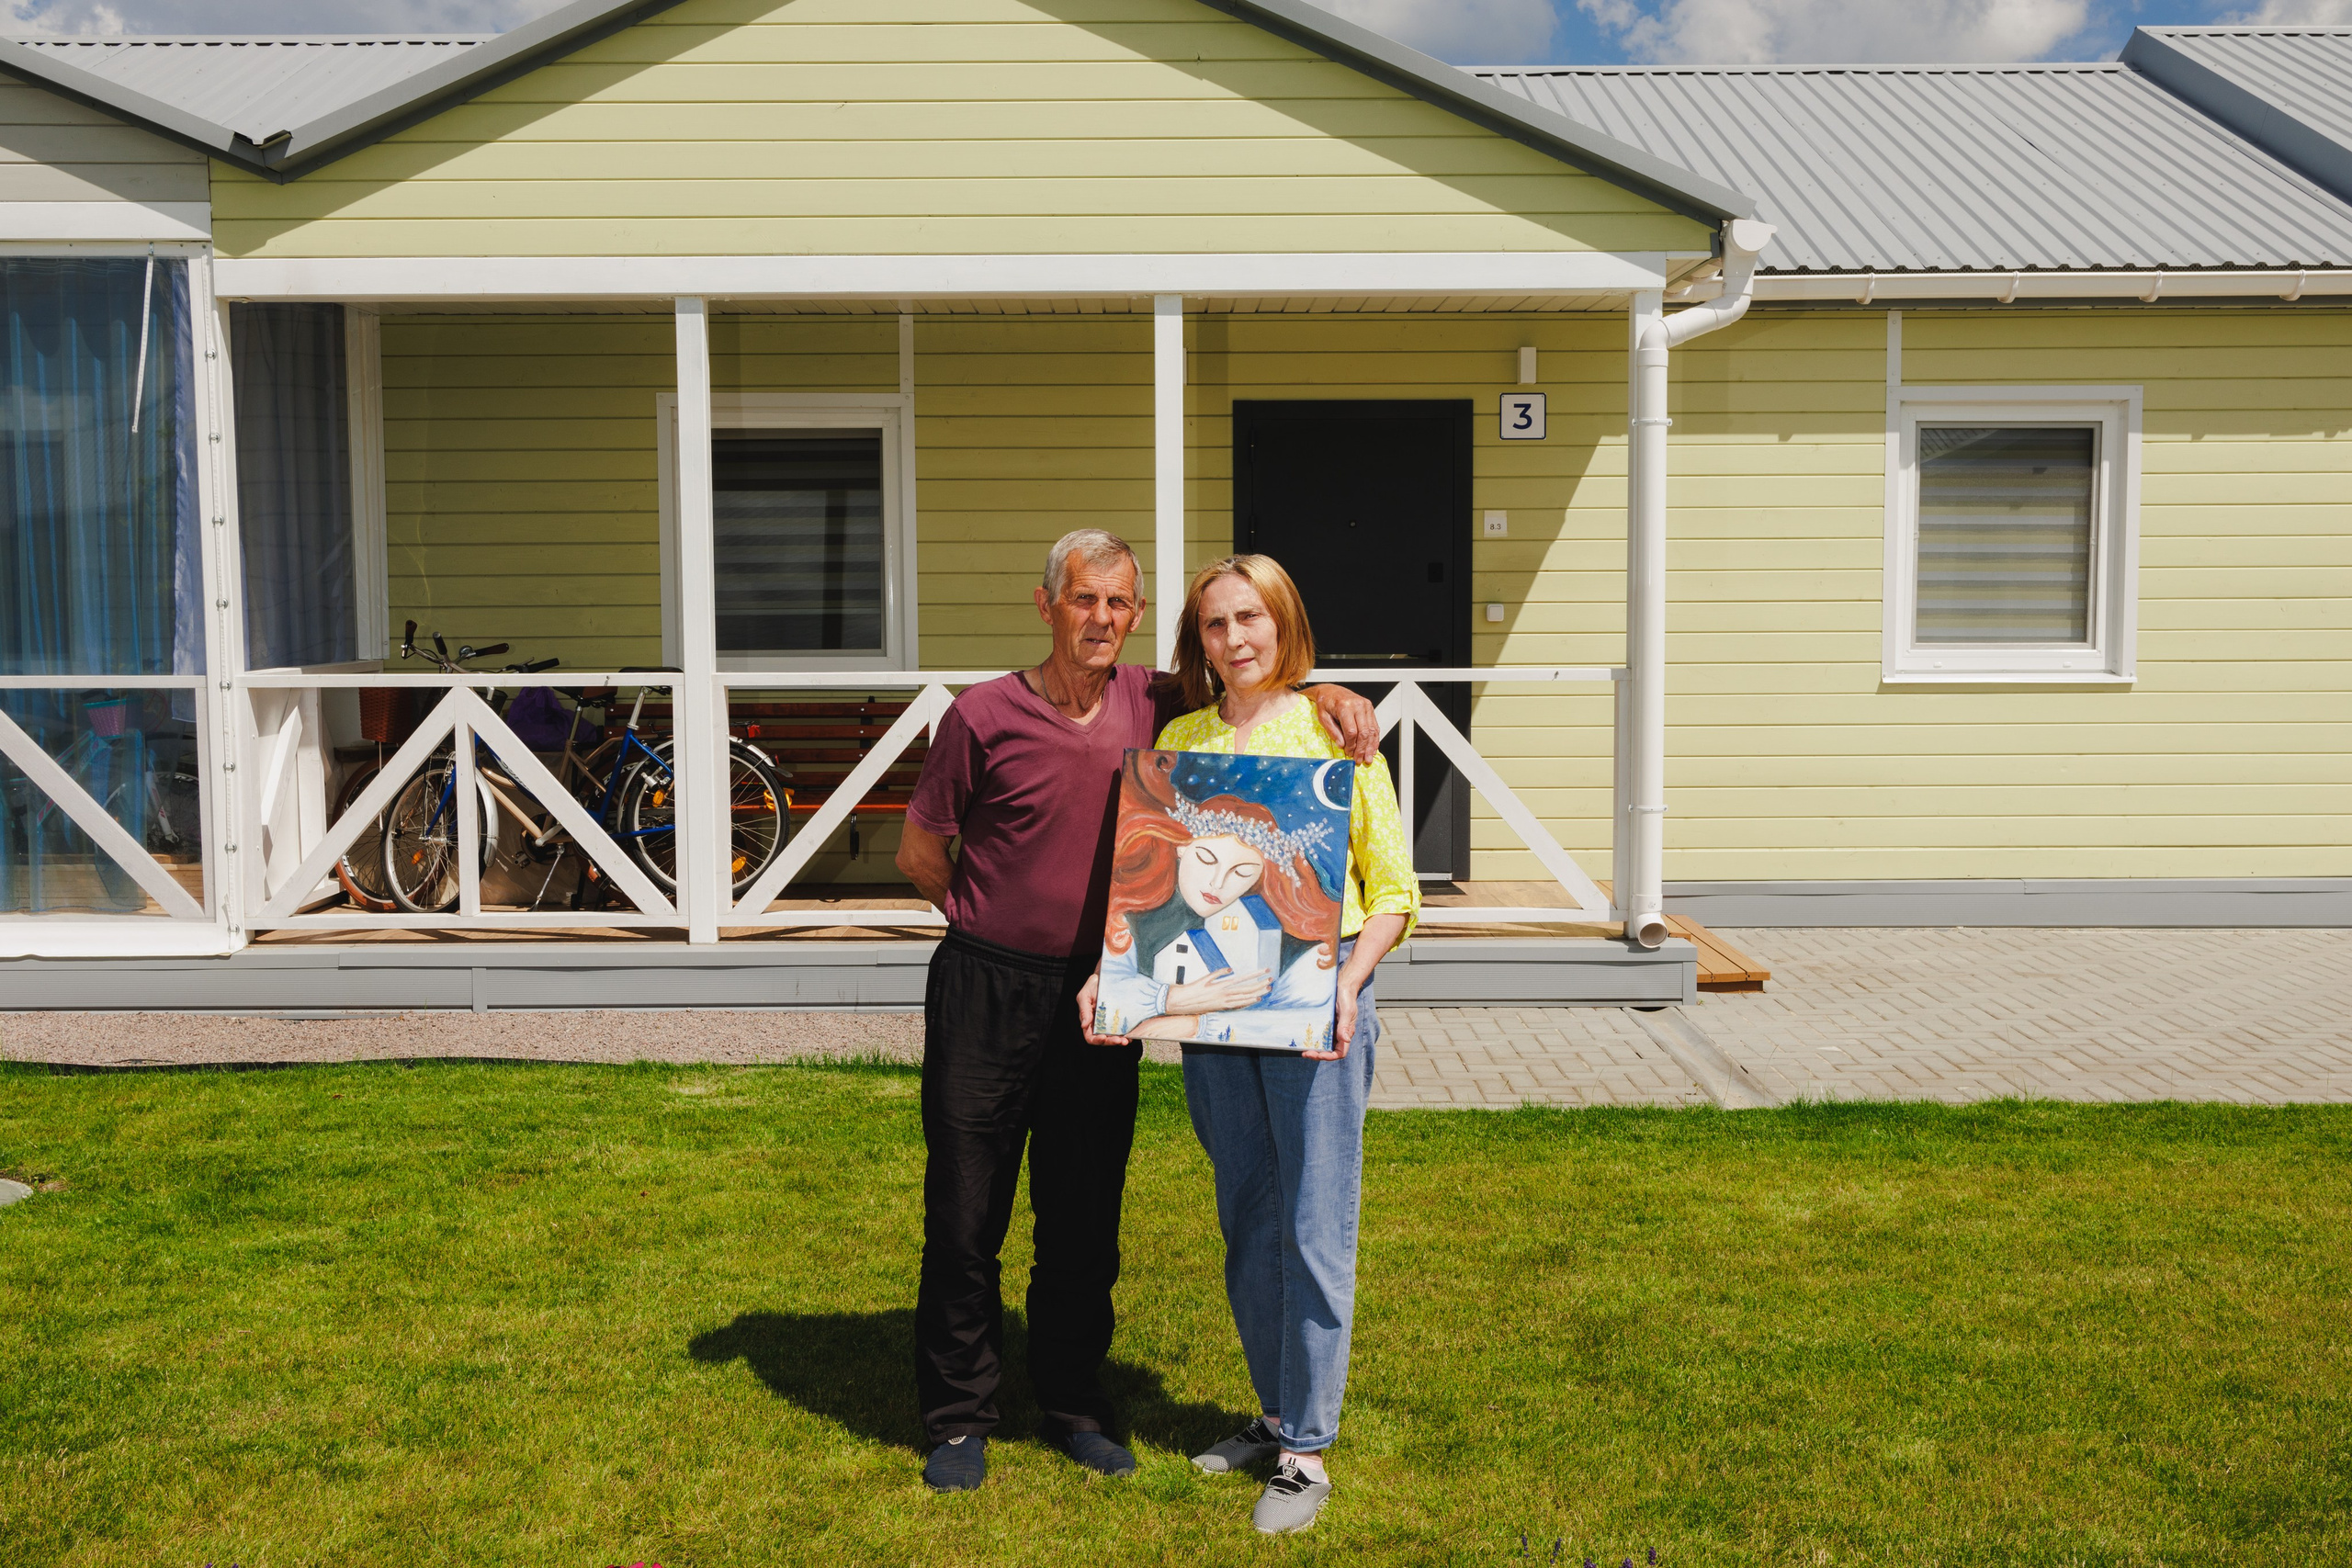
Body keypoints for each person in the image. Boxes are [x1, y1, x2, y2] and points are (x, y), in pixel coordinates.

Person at [895, 528, 1379, 1494]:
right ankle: (959, 1419)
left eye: (1119, 603)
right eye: (1084, 599)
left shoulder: (1155, 702)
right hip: (988, 986)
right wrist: (990, 921)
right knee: (965, 1211)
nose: (1101, 618)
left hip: (1101, 992)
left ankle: (1074, 1404)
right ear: (1046, 605)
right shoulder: (980, 715)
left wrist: (1331, 694)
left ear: (1139, 616)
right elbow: (919, 853)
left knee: (1083, 1214)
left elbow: (1258, 680)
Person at [1080, 553, 1418, 1535]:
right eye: (1217, 623)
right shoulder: (1181, 739)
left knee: (1314, 1227)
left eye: (1251, 618)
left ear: (1283, 622)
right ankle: (1272, 1415)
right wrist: (1115, 974)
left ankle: (1306, 1452)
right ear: (1200, 639)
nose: (1235, 638)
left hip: (1317, 1006)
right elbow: (1147, 882)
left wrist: (1348, 983)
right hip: (1217, 1010)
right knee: (1250, 1219)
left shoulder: (1334, 731)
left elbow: (1394, 890)